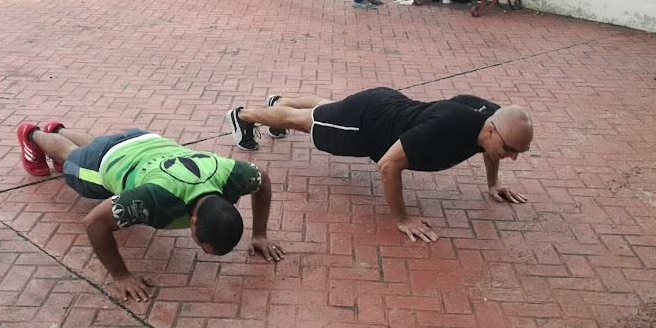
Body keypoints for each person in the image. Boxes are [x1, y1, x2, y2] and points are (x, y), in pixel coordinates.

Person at [16, 121, 285, 302]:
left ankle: (59, 128)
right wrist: (121, 276)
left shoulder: (234, 176)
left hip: (143, 140)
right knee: (71, 155)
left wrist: (259, 233)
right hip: (109, 163)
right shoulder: (155, 197)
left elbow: (263, 180)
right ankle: (32, 134)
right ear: (192, 223)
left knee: (99, 147)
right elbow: (94, 222)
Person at [227, 89, 532, 242]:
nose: (512, 156)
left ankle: (279, 101)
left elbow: (492, 147)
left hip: (385, 104)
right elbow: (387, 165)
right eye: (509, 149)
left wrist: (493, 183)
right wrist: (402, 219)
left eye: (517, 152)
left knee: (329, 110)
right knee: (305, 121)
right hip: (367, 125)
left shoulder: (494, 118)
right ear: (491, 130)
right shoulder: (448, 127)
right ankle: (243, 116)